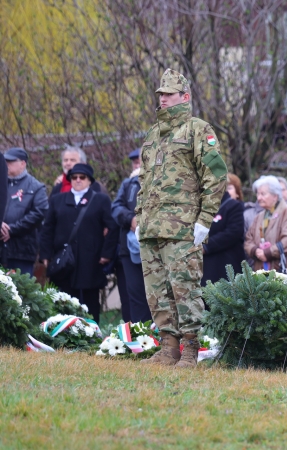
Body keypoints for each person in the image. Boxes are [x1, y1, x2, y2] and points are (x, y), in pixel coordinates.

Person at [135, 69, 228, 368]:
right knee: (157, 290)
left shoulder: (198, 129)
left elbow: (215, 175)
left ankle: (190, 348)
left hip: (182, 226)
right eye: (160, 94)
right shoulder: (153, 135)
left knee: (184, 287)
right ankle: (168, 347)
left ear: (184, 97)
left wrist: (205, 219)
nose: (162, 99)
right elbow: (144, 181)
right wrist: (139, 218)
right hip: (152, 226)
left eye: (168, 94)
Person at [40, 163, 118, 323]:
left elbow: (112, 227)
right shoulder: (57, 200)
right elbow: (47, 228)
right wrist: (45, 255)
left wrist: (106, 254)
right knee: (63, 300)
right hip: (63, 260)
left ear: (89, 180)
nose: (78, 180)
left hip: (90, 259)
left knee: (90, 302)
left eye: (82, 177)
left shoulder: (100, 200)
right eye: (74, 177)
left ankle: (92, 335)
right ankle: (63, 335)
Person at [111, 148, 152, 323]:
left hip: (158, 249)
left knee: (161, 296)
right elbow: (116, 208)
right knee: (136, 296)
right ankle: (142, 341)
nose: (138, 165)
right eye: (135, 162)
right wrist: (131, 219)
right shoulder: (128, 184)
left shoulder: (166, 181)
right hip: (130, 251)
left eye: (142, 160)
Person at [244, 175, 287, 281]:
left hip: (285, 272)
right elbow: (249, 239)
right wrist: (255, 251)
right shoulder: (259, 217)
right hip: (261, 273)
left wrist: (267, 253)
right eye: (257, 194)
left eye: (263, 194)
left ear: (275, 196)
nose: (258, 198)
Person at [1, 148, 49, 275]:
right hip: (0, 249)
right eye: (5, 161)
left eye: (11, 161)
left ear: (23, 163)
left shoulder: (36, 187)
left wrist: (12, 229)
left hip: (22, 251)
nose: (6, 164)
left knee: (21, 291)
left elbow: (39, 213)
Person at [202, 174, 246, 285]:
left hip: (226, 265)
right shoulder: (203, 206)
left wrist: (206, 246)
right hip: (205, 266)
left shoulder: (234, 206)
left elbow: (233, 232)